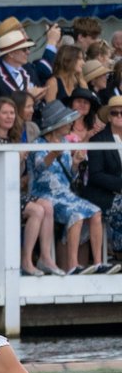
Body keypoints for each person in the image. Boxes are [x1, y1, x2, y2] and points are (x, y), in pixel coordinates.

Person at [27, 101, 113, 274]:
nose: (70, 124)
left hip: (66, 194)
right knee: (77, 214)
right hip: (44, 196)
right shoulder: (38, 144)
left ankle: (98, 263)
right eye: (67, 121)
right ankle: (73, 265)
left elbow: (69, 176)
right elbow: (39, 168)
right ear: (56, 125)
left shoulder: (64, 142)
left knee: (96, 212)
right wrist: (52, 154)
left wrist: (75, 163)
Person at [0, 96, 60, 276]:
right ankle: (26, 261)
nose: (9, 117)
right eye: (5, 113)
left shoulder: (12, 139)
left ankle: (45, 257)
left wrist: (20, 160)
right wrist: (17, 157)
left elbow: (14, 174)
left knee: (47, 206)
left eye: (12, 113)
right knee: (37, 211)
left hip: (10, 191)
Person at [86, 94, 122, 257]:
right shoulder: (98, 140)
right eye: (114, 113)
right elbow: (96, 174)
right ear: (108, 117)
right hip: (103, 193)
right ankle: (118, 251)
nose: (119, 116)